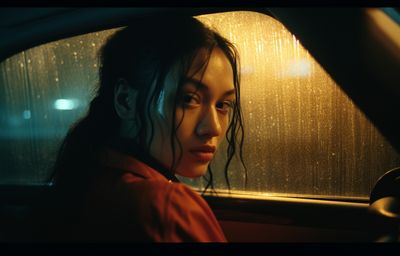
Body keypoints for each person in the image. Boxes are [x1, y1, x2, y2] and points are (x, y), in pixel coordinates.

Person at [46, 15, 245, 242]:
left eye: (223, 105)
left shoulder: (88, 179)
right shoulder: (166, 206)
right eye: (188, 98)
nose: (214, 128)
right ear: (125, 101)